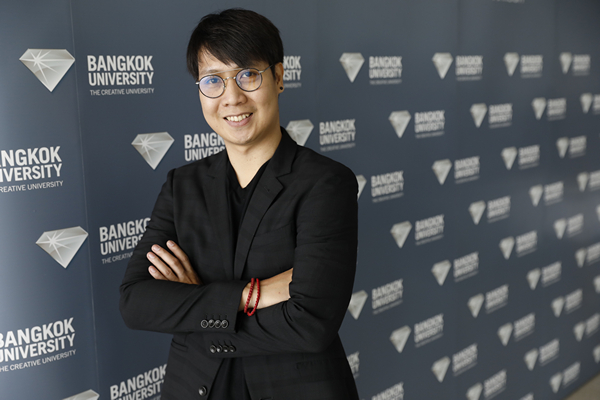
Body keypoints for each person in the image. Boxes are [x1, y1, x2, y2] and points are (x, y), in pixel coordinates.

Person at [120, 8, 359, 400]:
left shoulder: (325, 183)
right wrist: (251, 295)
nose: (231, 97)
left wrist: (198, 309)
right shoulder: (183, 185)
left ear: (278, 77)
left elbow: (310, 323)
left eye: (248, 74)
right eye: (213, 80)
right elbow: (136, 302)